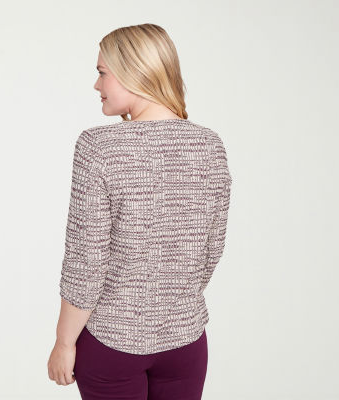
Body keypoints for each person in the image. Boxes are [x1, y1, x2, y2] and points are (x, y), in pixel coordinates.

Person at [47, 23, 232, 400]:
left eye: (102, 73)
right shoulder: (210, 146)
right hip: (185, 343)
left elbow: (86, 262)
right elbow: (211, 250)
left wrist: (64, 343)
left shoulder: (98, 147)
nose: (96, 85)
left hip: (112, 344)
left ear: (134, 71)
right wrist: (171, 302)